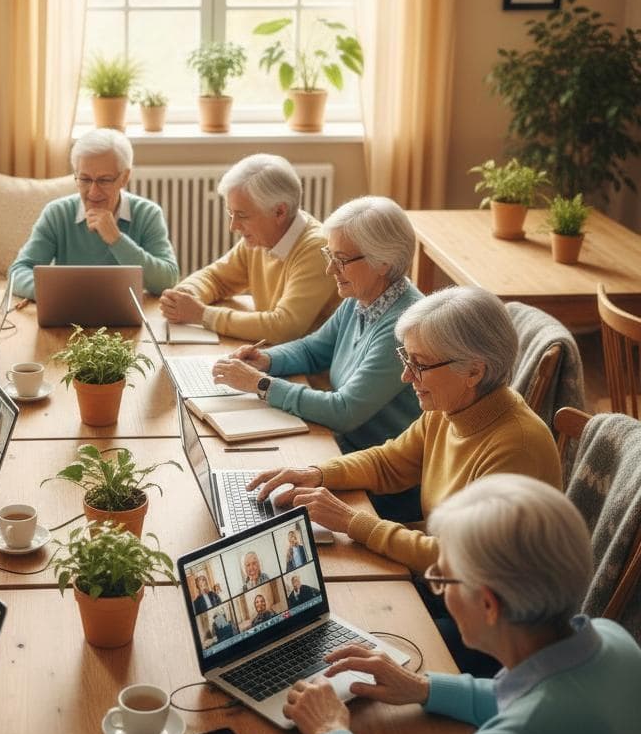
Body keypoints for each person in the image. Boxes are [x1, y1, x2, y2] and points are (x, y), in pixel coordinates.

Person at [282, 475, 641, 734]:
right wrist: (423, 687)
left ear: (488, 605)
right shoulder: (612, 640)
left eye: (443, 581)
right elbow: (532, 701)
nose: (440, 589)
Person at [250, 287, 562, 572]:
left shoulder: (517, 447)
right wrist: (316, 473)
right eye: (406, 358)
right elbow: (388, 463)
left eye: (420, 364)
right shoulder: (451, 407)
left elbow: (461, 561)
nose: (406, 376)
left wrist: (352, 522)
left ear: (474, 371)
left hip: (493, 622)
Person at [213, 196, 423, 457]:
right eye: (329, 255)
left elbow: (344, 411)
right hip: (342, 446)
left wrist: (261, 384)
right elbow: (313, 350)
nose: (330, 269)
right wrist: (265, 359)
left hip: (374, 470)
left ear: (383, 262)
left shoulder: (403, 328)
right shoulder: (363, 297)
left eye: (341, 260)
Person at [160, 154, 337, 344]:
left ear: (279, 212)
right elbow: (217, 278)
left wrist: (202, 314)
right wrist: (187, 293)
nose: (233, 226)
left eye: (242, 215)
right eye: (230, 213)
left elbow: (284, 327)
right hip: (271, 354)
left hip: (309, 371)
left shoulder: (317, 249)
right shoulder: (260, 240)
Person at [8, 128, 179, 299]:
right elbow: (18, 272)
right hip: (70, 314)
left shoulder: (147, 214)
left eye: (104, 180)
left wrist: (116, 240)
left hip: (125, 316)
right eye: (85, 179)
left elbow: (167, 279)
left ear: (125, 177)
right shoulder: (57, 214)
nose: (93, 192)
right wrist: (59, 293)